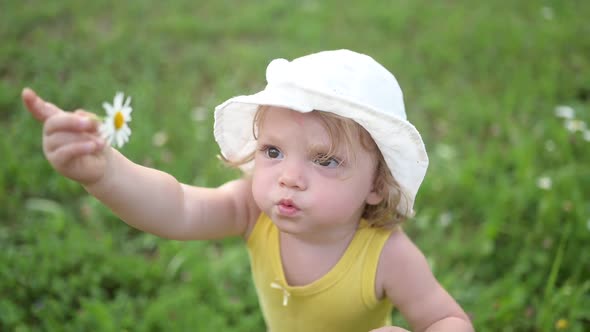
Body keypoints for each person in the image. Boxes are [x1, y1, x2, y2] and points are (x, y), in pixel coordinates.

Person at [22, 49, 474, 332]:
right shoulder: (252, 211)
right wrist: (103, 173)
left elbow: (447, 319)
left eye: (326, 160)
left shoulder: (386, 255)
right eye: (273, 151)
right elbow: (175, 207)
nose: (289, 177)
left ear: (376, 185)